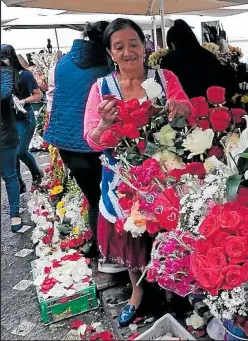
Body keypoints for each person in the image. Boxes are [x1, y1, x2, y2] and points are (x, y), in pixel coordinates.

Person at [84, 18, 191, 327]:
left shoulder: (166, 77)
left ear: (145, 47)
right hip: (122, 178)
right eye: (119, 47)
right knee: (133, 234)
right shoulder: (101, 88)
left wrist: (180, 109)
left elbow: (188, 117)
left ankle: (175, 285)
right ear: (110, 52)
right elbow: (91, 140)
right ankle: (137, 291)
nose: (128, 52)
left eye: (134, 44)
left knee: (168, 234)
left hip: (163, 173)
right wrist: (104, 124)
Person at [44, 22, 111, 262]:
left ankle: (100, 249)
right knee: (109, 198)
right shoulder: (106, 68)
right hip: (95, 142)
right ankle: (112, 252)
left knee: (93, 199)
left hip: (66, 143)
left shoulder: (62, 64)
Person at [1, 44, 43, 193]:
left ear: (11, 57)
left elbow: (38, 95)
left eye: (4, 58)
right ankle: (19, 184)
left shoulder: (24, 75)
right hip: (9, 121)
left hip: (25, 118)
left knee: (20, 151)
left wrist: (23, 101)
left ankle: (37, 173)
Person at [160, 19, 233, 99]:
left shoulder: (169, 60)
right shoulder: (208, 55)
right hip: (210, 104)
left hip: (184, 107)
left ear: (172, 43)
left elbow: (165, 86)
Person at [1, 61, 22, 232]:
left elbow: (4, 92)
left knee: (9, 175)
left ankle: (15, 213)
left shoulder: (5, 71)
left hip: (4, 134)